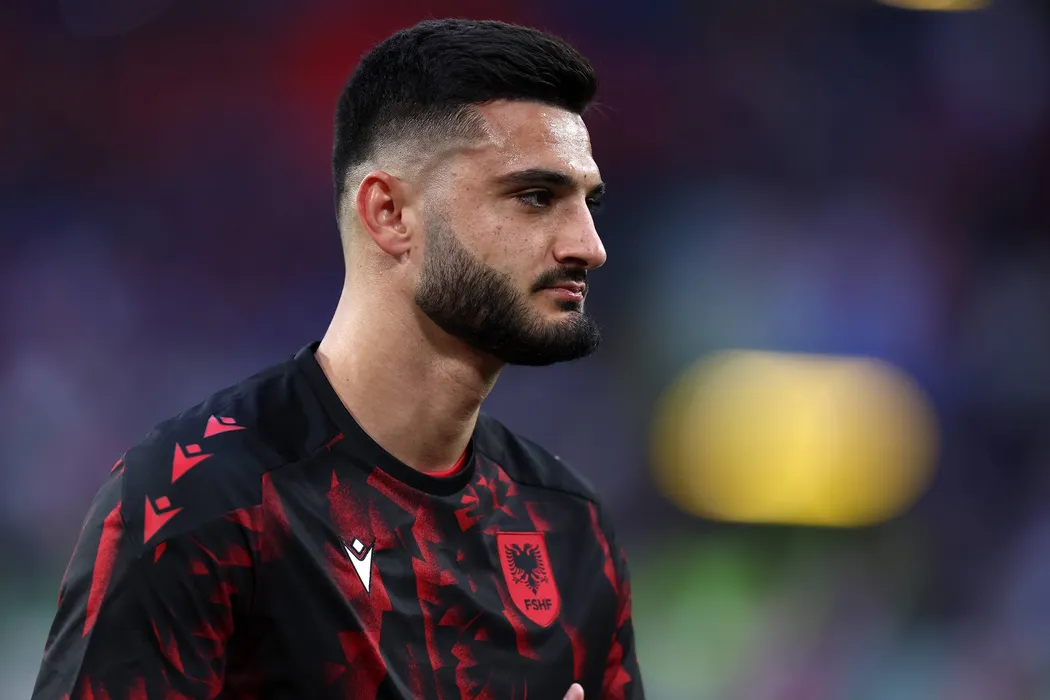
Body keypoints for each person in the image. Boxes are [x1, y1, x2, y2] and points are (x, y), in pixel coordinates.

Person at [31, 17, 643, 700]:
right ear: (389, 213)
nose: (590, 247)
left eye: (588, 203)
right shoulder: (197, 502)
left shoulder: (568, 525)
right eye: (536, 197)